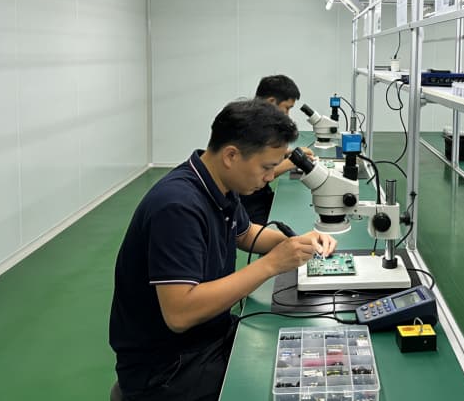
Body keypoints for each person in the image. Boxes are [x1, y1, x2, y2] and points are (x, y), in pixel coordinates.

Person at [109, 99, 337, 401]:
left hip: (208, 337)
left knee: (299, 354)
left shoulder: (218, 183)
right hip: (168, 368)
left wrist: (295, 243)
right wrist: (271, 264)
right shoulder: (177, 207)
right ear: (231, 155)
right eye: (266, 167)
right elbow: (179, 313)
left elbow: (245, 233)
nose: (271, 177)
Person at [240, 74, 314, 225]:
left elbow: (261, 153)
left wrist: (287, 153)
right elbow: (257, 174)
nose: (287, 114)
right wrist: (292, 162)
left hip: (260, 195)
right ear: (271, 102)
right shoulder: (248, 125)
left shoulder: (256, 120)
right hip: (247, 206)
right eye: (287, 108)